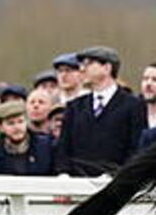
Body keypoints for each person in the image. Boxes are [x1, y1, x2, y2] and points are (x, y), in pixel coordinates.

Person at [54, 46, 147, 176]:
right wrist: (64, 174)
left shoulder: (133, 106)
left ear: (107, 68)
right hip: (77, 181)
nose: (82, 69)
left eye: (89, 64)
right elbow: (63, 148)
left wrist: (120, 175)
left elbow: (136, 148)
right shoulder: (75, 107)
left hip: (116, 181)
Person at [0, 100, 55, 175]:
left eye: (20, 121)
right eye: (11, 123)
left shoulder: (46, 148)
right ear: (1, 127)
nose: (17, 127)